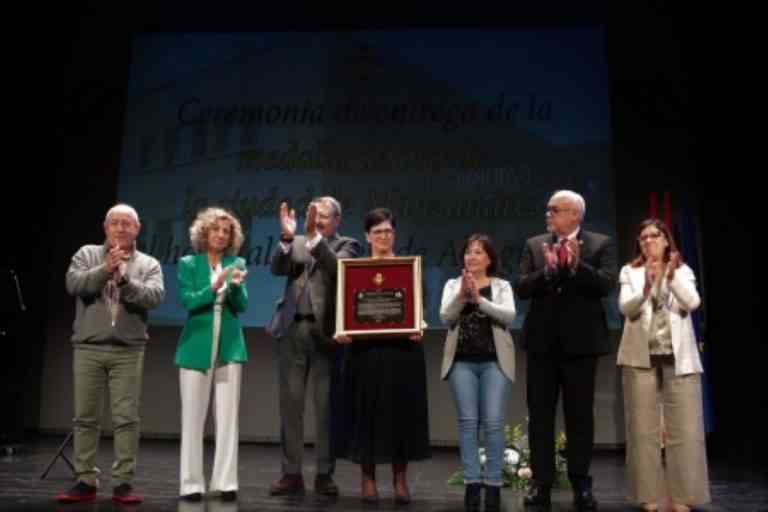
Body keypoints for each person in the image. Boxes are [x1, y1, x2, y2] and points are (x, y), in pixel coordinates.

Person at [515, 190, 616, 510]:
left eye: (554, 210)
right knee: (540, 416)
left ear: (575, 214)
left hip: (582, 345)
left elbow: (606, 285)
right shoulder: (535, 244)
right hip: (542, 345)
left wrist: (577, 264)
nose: (548, 215)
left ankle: (581, 483)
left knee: (580, 417)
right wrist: (547, 272)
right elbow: (521, 287)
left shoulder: (601, 244)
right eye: (548, 210)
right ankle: (540, 483)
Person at [57, 203, 165, 504]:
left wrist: (124, 281)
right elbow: (73, 283)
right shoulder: (87, 254)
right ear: (105, 227)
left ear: (137, 229)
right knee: (85, 418)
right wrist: (105, 270)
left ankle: (123, 482)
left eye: (127, 223)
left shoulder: (149, 263)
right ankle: (85, 480)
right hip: (89, 347)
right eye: (115, 223)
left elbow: (154, 297)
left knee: (126, 418)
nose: (120, 228)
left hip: (128, 350)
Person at [335, 208, 430, 504]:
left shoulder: (408, 267)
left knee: (401, 415)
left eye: (388, 231)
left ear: (394, 234)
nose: (383, 237)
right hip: (365, 352)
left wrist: (420, 326)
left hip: (402, 352)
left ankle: (400, 480)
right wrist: (342, 328)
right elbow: (346, 307)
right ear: (367, 236)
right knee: (367, 414)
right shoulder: (353, 270)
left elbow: (419, 307)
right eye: (377, 232)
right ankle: (368, 478)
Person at [267, 196, 361, 496]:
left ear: (336, 221)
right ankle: (291, 473)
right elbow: (277, 268)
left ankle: (324, 474)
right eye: (313, 215)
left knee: (325, 409)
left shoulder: (347, 244)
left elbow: (340, 271)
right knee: (290, 407)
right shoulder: (295, 240)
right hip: (292, 329)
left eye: (322, 216)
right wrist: (285, 237)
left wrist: (313, 237)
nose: (316, 220)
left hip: (325, 335)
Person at [617, 218, 710, 512]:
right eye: (643, 237)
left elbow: (692, 303)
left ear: (666, 240)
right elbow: (626, 308)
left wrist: (670, 279)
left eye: (654, 236)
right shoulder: (629, 272)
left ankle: (684, 496)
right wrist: (645, 288)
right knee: (642, 432)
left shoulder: (682, 270)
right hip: (640, 358)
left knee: (686, 430)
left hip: (678, 358)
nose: (648, 241)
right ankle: (649, 496)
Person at [174, 207, 249, 502]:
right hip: (196, 344)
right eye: (216, 229)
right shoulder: (188, 263)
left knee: (228, 417)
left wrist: (235, 289)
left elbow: (241, 306)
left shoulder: (237, 262)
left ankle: (226, 481)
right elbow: (189, 302)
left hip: (229, 345)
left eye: (226, 231)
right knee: (192, 418)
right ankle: (191, 484)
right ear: (204, 232)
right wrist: (214, 286)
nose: (221, 235)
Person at [440, 234, 516, 512]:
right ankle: (472, 484)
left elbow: (509, 316)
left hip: (495, 362)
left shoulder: (501, 285)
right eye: (468, 252)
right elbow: (445, 317)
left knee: (494, 423)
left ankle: (493, 485)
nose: (472, 257)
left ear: (489, 259)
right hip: (462, 362)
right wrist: (463, 295)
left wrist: (479, 300)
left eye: (478, 252)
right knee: (468, 423)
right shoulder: (452, 284)